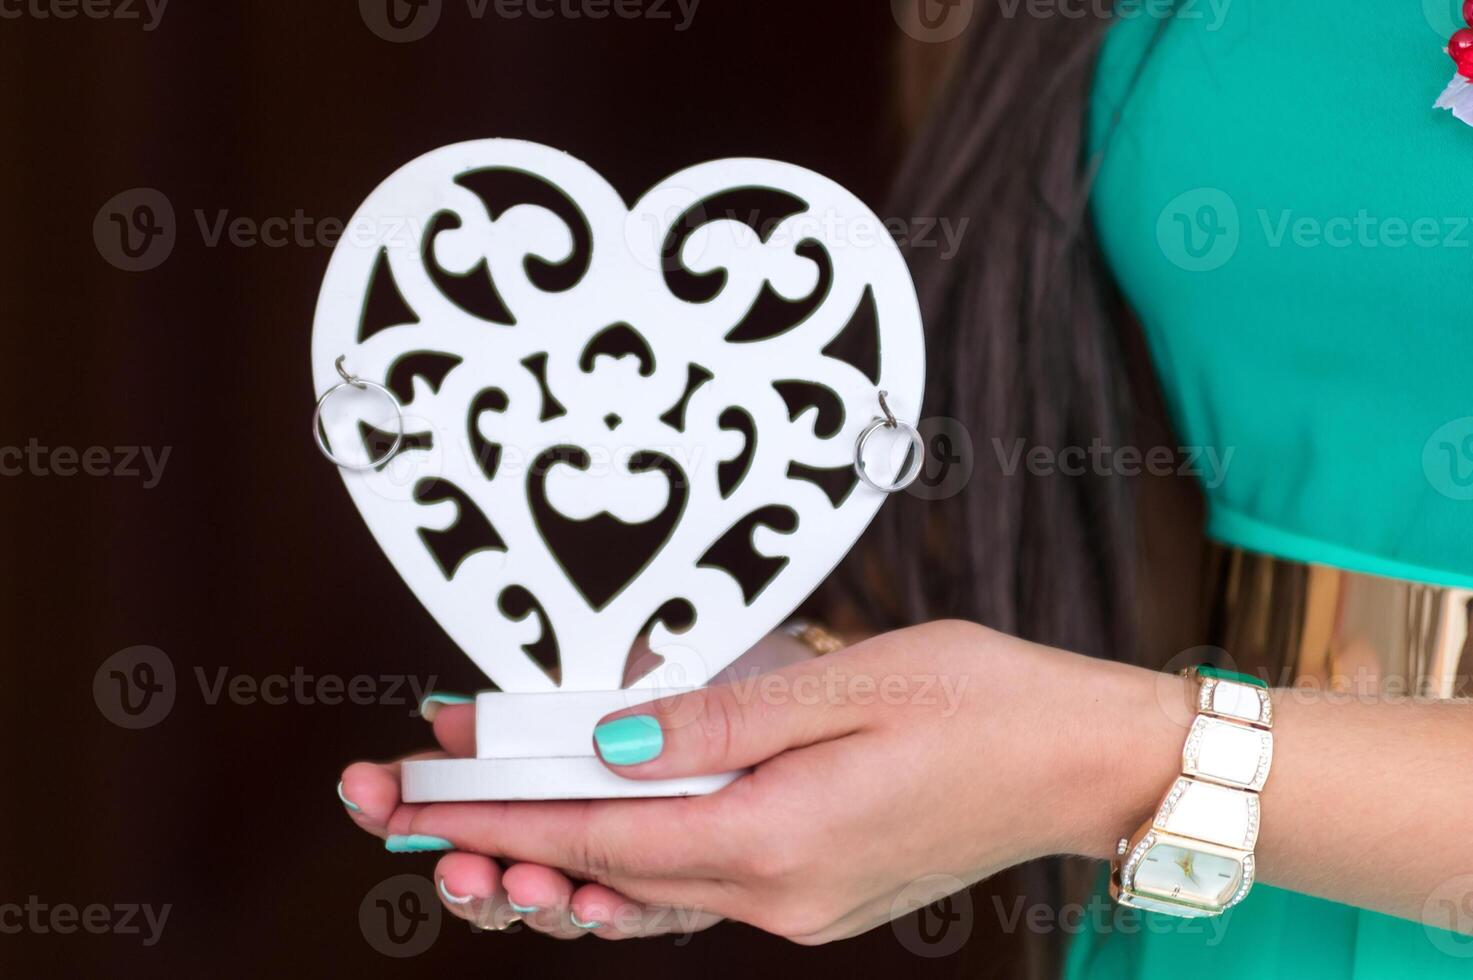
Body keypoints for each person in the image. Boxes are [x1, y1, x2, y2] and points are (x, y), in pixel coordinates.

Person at [340, 4, 1473, 975]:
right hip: (1229, 904)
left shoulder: (1113, 761)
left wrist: (1096, 758)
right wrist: (803, 701)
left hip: (1201, 816)